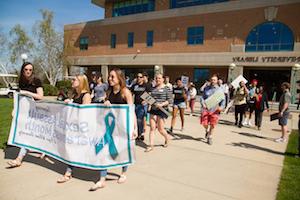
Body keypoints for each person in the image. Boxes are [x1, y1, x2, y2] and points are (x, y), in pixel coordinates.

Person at [90, 68, 137, 191]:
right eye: (109, 77)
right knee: (103, 150)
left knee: (123, 149)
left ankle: (123, 173)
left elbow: (131, 112)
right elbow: (104, 109)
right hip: (110, 127)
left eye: (112, 77)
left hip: (123, 127)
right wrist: (105, 103)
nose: (109, 79)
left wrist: (134, 128)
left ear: (119, 78)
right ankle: (102, 179)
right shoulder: (109, 92)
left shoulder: (125, 92)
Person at [7, 62, 44, 168]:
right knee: (29, 133)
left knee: (28, 133)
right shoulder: (21, 81)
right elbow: (19, 98)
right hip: (25, 111)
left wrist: (28, 93)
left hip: (36, 110)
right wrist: (15, 109)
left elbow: (41, 96)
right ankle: (43, 150)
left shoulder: (36, 81)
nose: (28, 71)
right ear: (23, 70)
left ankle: (19, 159)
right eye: (26, 69)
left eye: (30, 70)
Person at [57, 74, 92, 183]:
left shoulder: (86, 95)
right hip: (73, 127)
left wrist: (72, 103)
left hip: (81, 128)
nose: (72, 81)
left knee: (84, 149)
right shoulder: (75, 95)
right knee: (72, 149)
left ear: (81, 81)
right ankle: (68, 172)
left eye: (74, 80)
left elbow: (85, 112)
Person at [145, 73, 172, 152]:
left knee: (160, 129)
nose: (157, 80)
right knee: (152, 128)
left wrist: (161, 104)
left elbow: (170, 100)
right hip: (153, 110)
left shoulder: (167, 89)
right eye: (156, 78)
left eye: (159, 78)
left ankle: (167, 138)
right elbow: (150, 98)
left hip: (162, 110)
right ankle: (151, 145)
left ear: (163, 79)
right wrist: (148, 102)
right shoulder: (153, 88)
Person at [200, 74, 225, 145]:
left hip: (215, 109)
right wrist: (203, 103)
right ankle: (207, 131)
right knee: (204, 123)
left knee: (213, 124)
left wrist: (221, 107)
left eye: (214, 80)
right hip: (206, 108)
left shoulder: (220, 90)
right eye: (212, 80)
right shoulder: (206, 88)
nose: (213, 81)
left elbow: (223, 100)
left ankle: (210, 137)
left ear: (217, 81)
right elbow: (202, 97)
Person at [131, 73, 151, 141]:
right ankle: (139, 133)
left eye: (140, 77)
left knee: (140, 119)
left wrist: (146, 101)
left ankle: (140, 134)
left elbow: (150, 95)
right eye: (137, 77)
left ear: (143, 78)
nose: (139, 78)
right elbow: (131, 94)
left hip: (143, 105)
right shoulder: (134, 86)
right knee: (136, 120)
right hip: (135, 105)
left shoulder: (146, 85)